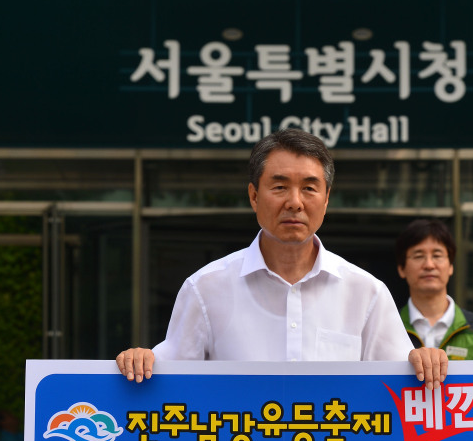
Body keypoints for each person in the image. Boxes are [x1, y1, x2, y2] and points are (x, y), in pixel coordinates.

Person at [117, 129, 447, 389]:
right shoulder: (206, 287)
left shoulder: (366, 293)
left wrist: (425, 362)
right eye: (280, 187)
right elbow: (169, 381)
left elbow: (400, 386)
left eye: (309, 188)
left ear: (327, 198)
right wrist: (140, 360)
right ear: (254, 196)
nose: (294, 202)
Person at [395, 218, 473, 360]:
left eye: (437, 255)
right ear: (401, 269)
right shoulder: (386, 329)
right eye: (418, 256)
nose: (429, 265)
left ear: (451, 266)